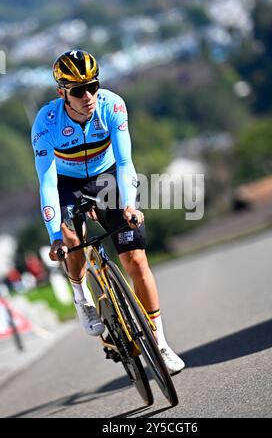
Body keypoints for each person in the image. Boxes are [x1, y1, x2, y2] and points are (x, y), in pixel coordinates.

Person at [31, 49, 184, 375]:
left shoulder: (111, 105)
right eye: (77, 90)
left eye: (93, 86)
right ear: (62, 93)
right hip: (66, 183)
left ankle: (160, 342)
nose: (88, 95)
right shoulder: (46, 123)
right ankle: (80, 295)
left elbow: (126, 161)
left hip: (107, 177)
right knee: (74, 242)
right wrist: (55, 235)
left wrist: (129, 204)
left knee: (137, 260)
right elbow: (46, 183)